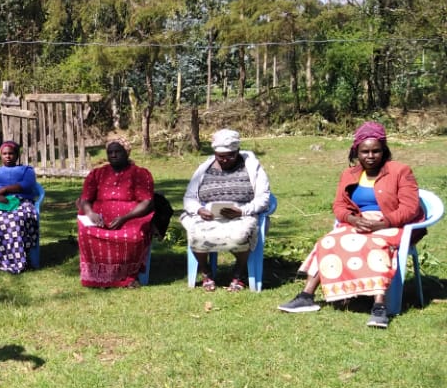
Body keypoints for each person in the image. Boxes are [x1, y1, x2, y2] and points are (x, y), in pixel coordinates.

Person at [278, 121, 424, 328]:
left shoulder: (400, 171)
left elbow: (410, 208)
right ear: (356, 152)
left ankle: (379, 307)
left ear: (384, 150)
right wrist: (354, 220)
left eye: (376, 151)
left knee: (375, 244)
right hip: (360, 222)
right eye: (365, 152)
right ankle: (306, 296)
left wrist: (382, 223)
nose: (371, 156)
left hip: (392, 224)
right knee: (328, 241)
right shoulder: (350, 174)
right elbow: (339, 206)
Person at [181, 129, 272, 292]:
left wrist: (242, 211)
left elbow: (264, 197)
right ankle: (206, 271)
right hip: (209, 215)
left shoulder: (251, 166)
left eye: (230, 156)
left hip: (242, 214)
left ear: (237, 151)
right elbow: (189, 198)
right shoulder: (204, 168)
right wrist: (199, 210)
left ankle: (239, 273)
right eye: (220, 156)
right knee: (195, 233)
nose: (225, 160)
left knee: (239, 236)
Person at [77, 137, 155, 288]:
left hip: (131, 215)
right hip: (99, 215)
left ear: (126, 153)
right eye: (110, 152)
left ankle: (128, 276)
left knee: (133, 235)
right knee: (87, 230)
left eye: (117, 151)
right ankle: (97, 276)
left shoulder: (140, 173)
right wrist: (90, 213)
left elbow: (146, 201)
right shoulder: (97, 173)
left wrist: (125, 218)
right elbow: (85, 198)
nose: (113, 155)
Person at [0, 141, 40, 274]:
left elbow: (27, 184)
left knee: (14, 220)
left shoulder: (26, 170)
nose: (8, 156)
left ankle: (16, 261)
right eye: (4, 154)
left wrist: (4, 189)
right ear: (1, 155)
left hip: (21, 202)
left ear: (17, 155)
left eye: (11, 153)